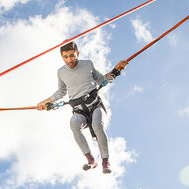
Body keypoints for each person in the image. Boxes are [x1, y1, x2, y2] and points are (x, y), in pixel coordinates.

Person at [37, 41, 128, 174]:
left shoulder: (88, 64)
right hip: (79, 110)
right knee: (74, 123)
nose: (69, 59)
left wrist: (118, 69)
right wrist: (44, 102)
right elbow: (61, 92)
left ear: (77, 54)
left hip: (95, 105)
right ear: (62, 57)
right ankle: (91, 159)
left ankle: (105, 161)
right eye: (66, 57)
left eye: (72, 56)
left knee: (97, 125)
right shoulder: (61, 72)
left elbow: (102, 80)